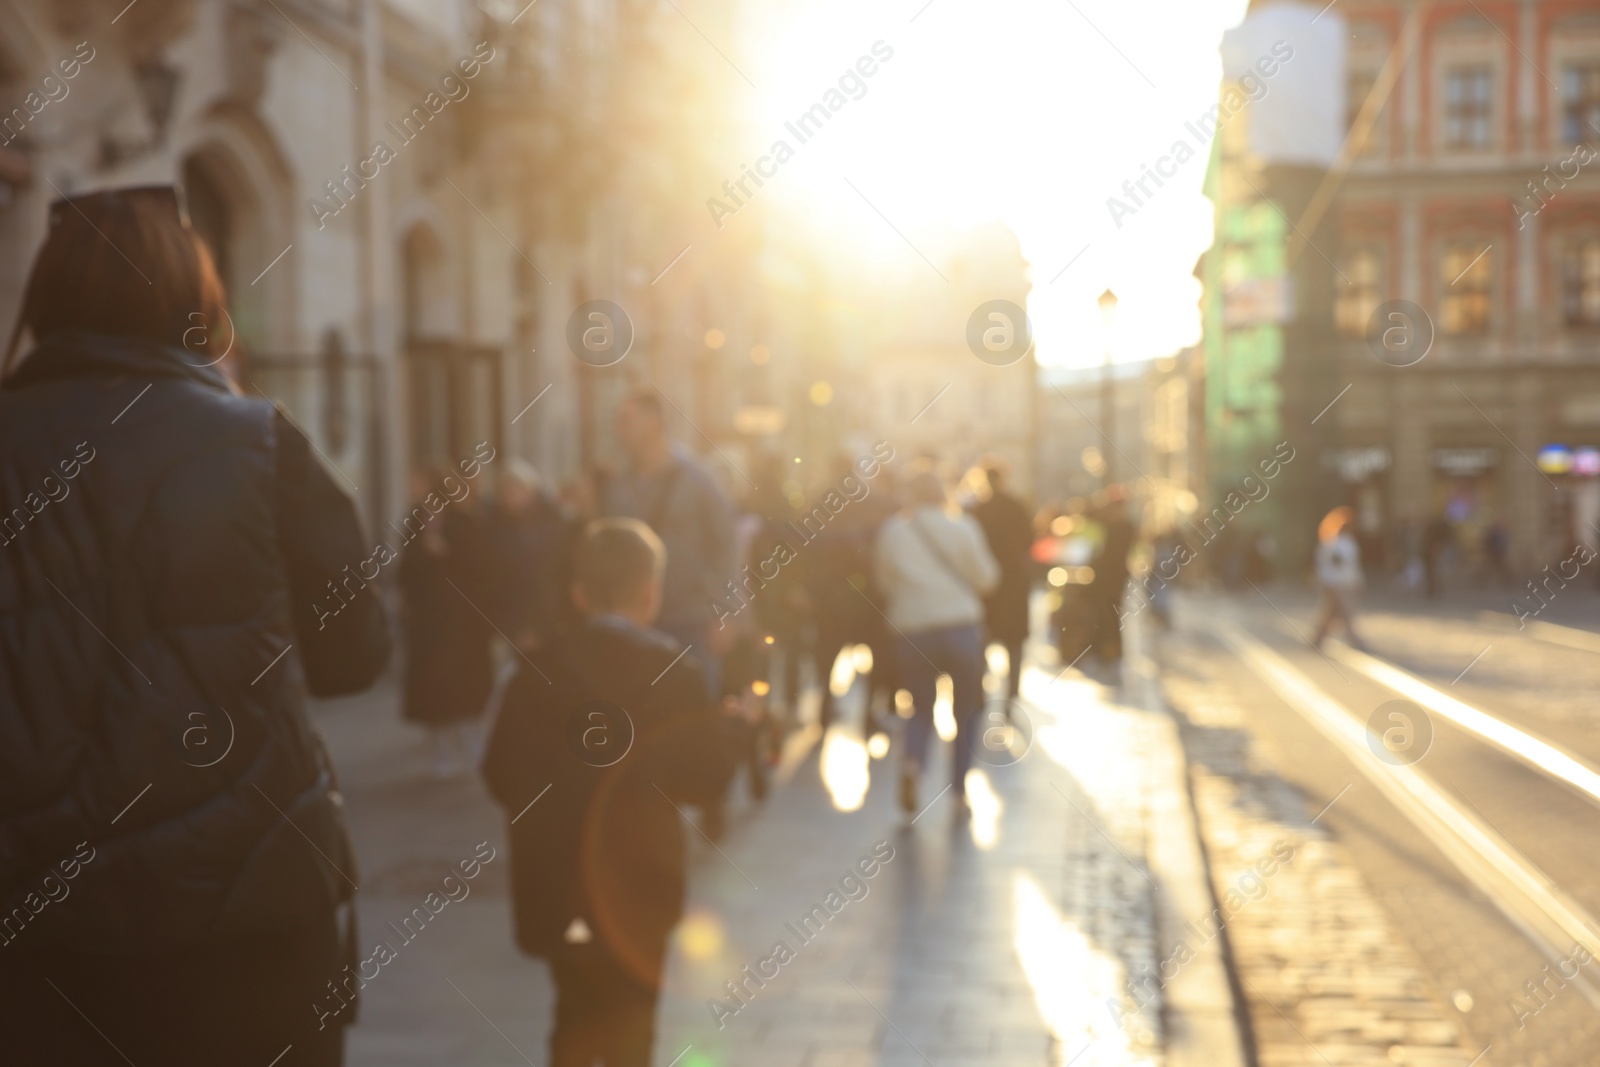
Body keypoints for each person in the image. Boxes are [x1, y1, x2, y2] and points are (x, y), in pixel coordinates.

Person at [0, 184, 391, 1066]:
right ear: (193, 296)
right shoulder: (254, 440)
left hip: (36, 942)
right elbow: (355, 656)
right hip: (243, 926)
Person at [481, 519, 739, 1067]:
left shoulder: (535, 671)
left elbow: (499, 773)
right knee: (634, 1026)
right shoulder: (676, 672)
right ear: (651, 592)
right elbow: (707, 780)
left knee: (572, 1013)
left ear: (578, 594)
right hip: (641, 888)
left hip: (558, 878)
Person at [874, 467, 1000, 818]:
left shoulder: (894, 531)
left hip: (912, 630)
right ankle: (959, 793)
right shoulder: (963, 527)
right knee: (967, 709)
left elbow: (883, 582)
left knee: (920, 706)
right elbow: (988, 578)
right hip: (960, 626)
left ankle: (914, 762)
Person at [605, 389, 735, 696]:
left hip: (690, 622)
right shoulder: (618, 485)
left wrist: (726, 614)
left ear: (653, 424)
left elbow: (727, 548)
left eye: (627, 421)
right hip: (632, 624)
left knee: (695, 711)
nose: (618, 431)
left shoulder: (699, 480)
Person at [399, 467, 495, 778]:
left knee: (463, 681)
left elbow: (480, 567)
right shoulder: (415, 520)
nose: (414, 487)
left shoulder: (462, 520)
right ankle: (439, 746)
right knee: (432, 685)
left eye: (418, 481)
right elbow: (405, 566)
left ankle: (470, 741)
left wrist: (446, 554)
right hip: (428, 620)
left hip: (460, 620)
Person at [485, 459, 569, 653]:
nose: (509, 496)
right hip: (510, 617)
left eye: (515, 489)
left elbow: (549, 576)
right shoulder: (496, 523)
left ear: (530, 490)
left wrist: (536, 626)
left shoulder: (551, 521)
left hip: (545, 616)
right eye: (505, 490)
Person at [969, 459, 1034, 702]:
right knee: (1014, 643)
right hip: (1014, 584)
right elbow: (1029, 541)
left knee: (983, 639)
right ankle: (1012, 693)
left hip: (988, 587)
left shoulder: (978, 510)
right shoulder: (1017, 507)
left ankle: (979, 690)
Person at [1312, 506, 1368, 651]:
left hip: (1331, 582)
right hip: (1340, 584)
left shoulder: (1328, 542)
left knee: (1330, 615)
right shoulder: (1343, 544)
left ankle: (1317, 640)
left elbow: (1321, 564)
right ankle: (1354, 640)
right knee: (1347, 613)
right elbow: (1345, 566)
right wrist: (1357, 582)